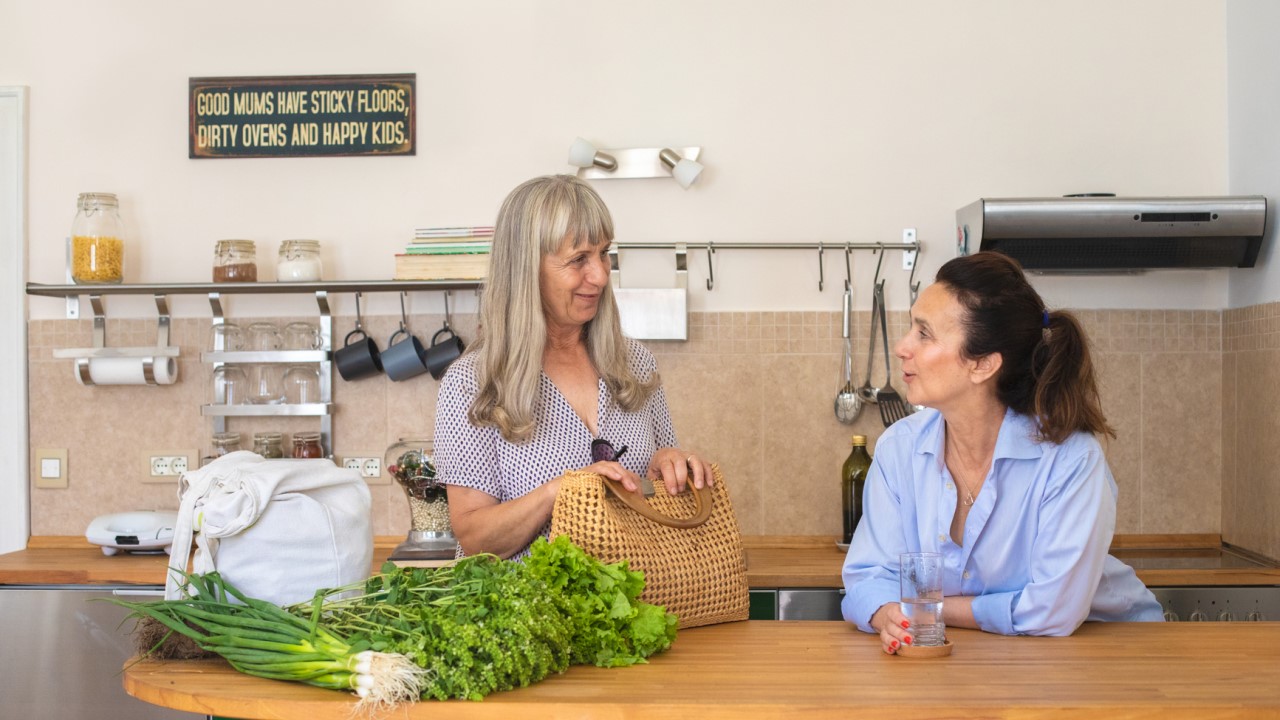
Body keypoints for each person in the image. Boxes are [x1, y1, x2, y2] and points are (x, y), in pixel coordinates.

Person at [842, 251, 1162, 651]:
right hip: (986, 655)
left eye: (924, 334)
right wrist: (885, 612)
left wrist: (930, 609)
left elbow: (1052, 612)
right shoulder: (899, 449)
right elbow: (867, 577)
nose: (904, 347)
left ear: (983, 365)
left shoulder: (1070, 459)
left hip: (1115, 652)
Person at [433, 174, 714, 560]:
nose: (599, 275)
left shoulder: (635, 363)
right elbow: (474, 537)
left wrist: (670, 464)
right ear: (526, 269)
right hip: (529, 616)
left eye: (603, 254)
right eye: (578, 259)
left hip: (638, 607)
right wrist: (561, 491)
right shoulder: (472, 383)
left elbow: (658, 472)